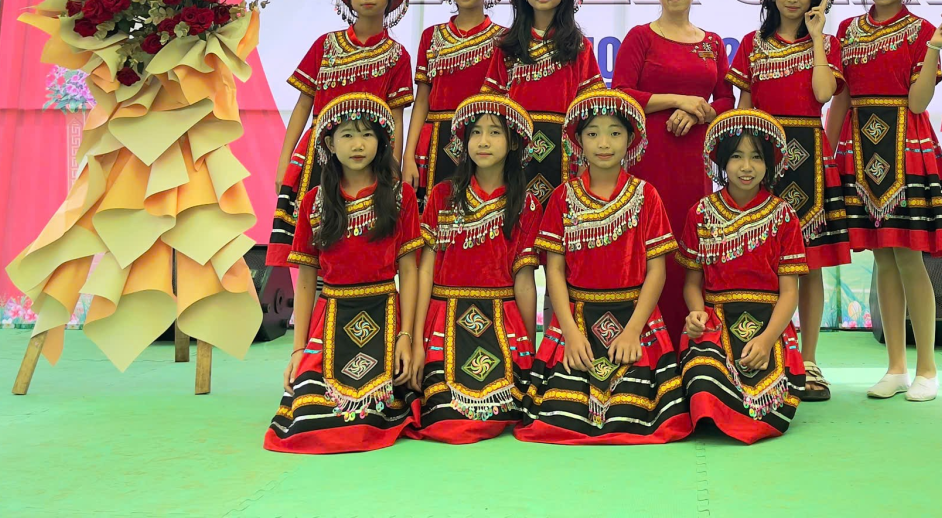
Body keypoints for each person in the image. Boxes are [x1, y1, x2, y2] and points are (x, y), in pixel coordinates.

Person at [826, 0, 942, 403]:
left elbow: (918, 102)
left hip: (907, 145)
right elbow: (840, 99)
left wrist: (936, 48)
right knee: (882, 257)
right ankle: (896, 367)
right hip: (858, 148)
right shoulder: (846, 31)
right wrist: (827, 152)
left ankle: (928, 368)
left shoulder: (923, 31)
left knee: (908, 256)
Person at [517, 90, 691, 445]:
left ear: (630, 139)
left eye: (615, 133)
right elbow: (554, 271)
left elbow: (657, 271)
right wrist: (569, 333)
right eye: (593, 133)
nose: (604, 143)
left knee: (642, 417)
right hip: (577, 319)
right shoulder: (562, 197)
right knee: (557, 418)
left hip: (635, 319)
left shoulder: (647, 195)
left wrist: (633, 332)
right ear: (578, 140)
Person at [265, 92, 423, 453]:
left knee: (374, 416)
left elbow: (409, 272)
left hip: (385, 314)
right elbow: (307, 280)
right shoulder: (313, 201)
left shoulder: (401, 196)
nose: (358, 144)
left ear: (381, 142)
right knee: (306, 418)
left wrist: (406, 337)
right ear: (329, 145)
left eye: (367, 134)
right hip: (330, 316)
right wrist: (298, 349)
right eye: (347, 135)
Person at [727, 0, 848, 401]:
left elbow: (822, 94)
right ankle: (757, 350)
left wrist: (816, 38)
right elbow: (743, 108)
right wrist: (737, 160)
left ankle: (809, 360)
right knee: (757, 256)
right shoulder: (751, 43)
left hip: (809, 158)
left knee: (808, 264)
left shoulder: (827, 43)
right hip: (761, 156)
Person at [267, 0, 413, 268]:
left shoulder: (398, 55)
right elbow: (303, 105)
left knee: (356, 243)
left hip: (369, 156)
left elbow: (397, 118)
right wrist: (283, 161)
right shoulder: (325, 45)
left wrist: (394, 164)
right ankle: (313, 300)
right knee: (313, 243)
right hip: (319, 154)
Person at [611, 0, 734, 336]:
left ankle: (689, 334)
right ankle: (645, 337)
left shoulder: (712, 42)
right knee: (648, 240)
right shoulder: (640, 37)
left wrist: (699, 113)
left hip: (694, 161)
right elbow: (621, 93)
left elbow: (726, 100)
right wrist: (679, 100)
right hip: (650, 157)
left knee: (688, 239)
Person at [410, 94, 541, 443]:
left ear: (513, 142)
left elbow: (524, 280)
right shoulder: (442, 195)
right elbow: (425, 271)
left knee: (505, 408)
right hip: (443, 319)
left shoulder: (526, 203)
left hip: (501, 323)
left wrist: (527, 347)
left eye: (495, 132)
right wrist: (416, 337)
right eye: (476, 133)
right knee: (441, 413)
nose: (483, 141)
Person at [677, 109, 807, 443]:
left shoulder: (784, 216)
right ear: (722, 161)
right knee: (701, 381)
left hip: (769, 324)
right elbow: (692, 283)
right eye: (736, 156)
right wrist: (696, 313)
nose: (746, 167)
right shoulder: (700, 213)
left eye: (756, 157)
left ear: (769, 163)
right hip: (715, 323)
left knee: (774, 398)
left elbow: (789, 293)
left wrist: (766, 340)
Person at [482, 0, 603, 208]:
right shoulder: (507, 45)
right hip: (515, 145)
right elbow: (492, 104)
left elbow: (592, 108)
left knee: (561, 217)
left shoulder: (579, 47)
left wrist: (588, 157)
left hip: (566, 150)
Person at [405, 0, 508, 207]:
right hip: (436, 138)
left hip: (485, 137)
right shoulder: (431, 36)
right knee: (434, 214)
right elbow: (422, 99)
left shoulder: (505, 39)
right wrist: (408, 155)